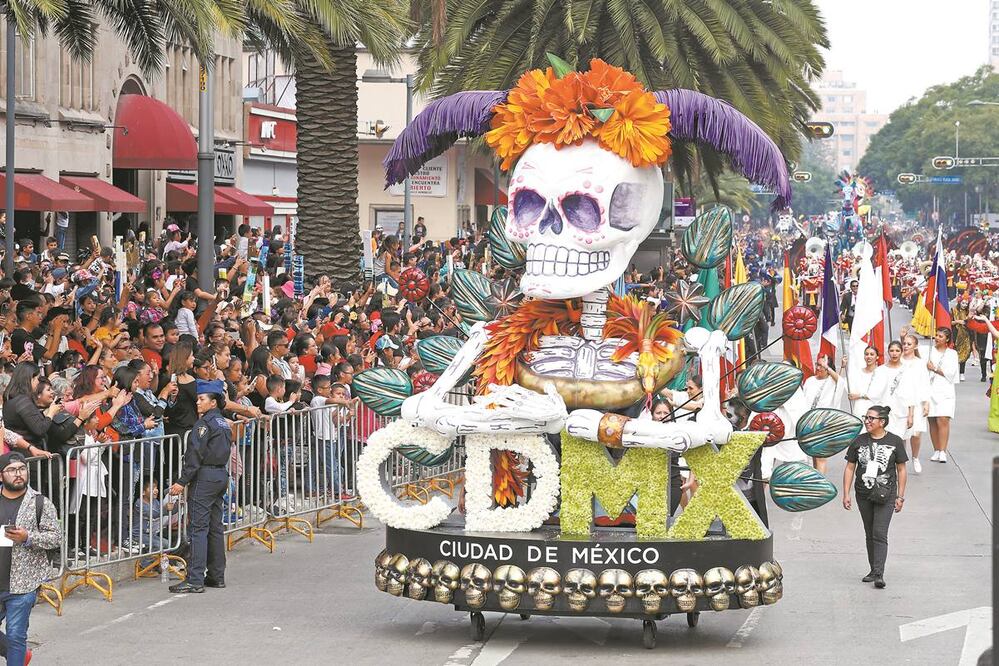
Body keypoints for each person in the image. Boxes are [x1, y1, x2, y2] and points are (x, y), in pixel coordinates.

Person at [167, 380, 231, 593]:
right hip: (220, 474)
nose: (198, 402)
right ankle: (216, 575)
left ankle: (195, 579)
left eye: (202, 399)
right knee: (215, 528)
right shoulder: (223, 423)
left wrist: (181, 481)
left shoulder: (204, 425)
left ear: (213, 402)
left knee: (198, 529)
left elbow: (194, 456)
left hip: (205, 477)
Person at [0, 451, 62, 665]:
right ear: (1, 475)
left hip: (23, 584)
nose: (18, 474)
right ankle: (20, 655)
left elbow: (56, 538)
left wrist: (28, 537)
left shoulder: (39, 503)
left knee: (16, 636)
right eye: (11, 470)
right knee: (14, 641)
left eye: (21, 469)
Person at [842, 405, 907, 589]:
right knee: (869, 532)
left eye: (871, 418)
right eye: (866, 417)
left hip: (886, 494)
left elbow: (901, 469)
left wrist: (900, 496)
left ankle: (879, 573)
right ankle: (873, 569)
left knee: (879, 532)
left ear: (882, 422)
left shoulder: (895, 441)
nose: (867, 421)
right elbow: (850, 467)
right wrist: (846, 493)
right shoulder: (858, 441)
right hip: (863, 493)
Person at [801, 354, 840, 474]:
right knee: (813, 456)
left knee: (820, 457)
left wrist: (827, 367)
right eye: (817, 364)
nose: (818, 368)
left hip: (823, 425)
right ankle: (815, 481)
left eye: (821, 366)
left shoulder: (832, 381)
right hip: (808, 424)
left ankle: (820, 483)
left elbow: (840, 381)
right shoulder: (810, 381)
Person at [925, 327, 959, 463]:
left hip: (945, 390)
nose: (936, 338)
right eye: (936, 335)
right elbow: (912, 351)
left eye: (940, 336)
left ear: (947, 339)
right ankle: (936, 450)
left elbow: (950, 373)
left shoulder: (952, 354)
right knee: (932, 420)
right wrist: (903, 337)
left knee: (942, 419)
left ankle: (943, 451)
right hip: (930, 390)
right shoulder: (928, 350)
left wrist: (934, 368)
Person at [900, 333, 930, 473]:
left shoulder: (920, 363)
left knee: (916, 433)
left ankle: (915, 457)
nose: (906, 346)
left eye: (909, 344)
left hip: (917, 401)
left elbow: (925, 383)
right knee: (902, 434)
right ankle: (901, 460)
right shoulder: (898, 360)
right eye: (904, 343)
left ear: (915, 346)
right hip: (901, 401)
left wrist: (926, 402)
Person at [873, 341, 913, 440]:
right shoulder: (880, 370)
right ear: (888, 352)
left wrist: (911, 415)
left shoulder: (907, 370)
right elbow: (875, 394)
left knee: (900, 441)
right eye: (892, 351)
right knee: (884, 440)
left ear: (901, 352)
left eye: (897, 351)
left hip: (902, 412)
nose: (894, 353)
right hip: (884, 411)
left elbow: (911, 394)